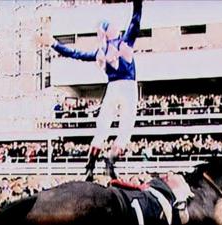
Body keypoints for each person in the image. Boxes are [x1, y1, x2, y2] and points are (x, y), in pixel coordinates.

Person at [37, 0, 142, 182]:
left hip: (112, 87)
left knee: (102, 129)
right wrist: (138, 3)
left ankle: (90, 166)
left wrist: (54, 43)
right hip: (128, 86)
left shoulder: (101, 51)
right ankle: (110, 161)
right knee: (125, 129)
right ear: (113, 31)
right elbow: (136, 20)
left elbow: (75, 53)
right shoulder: (124, 43)